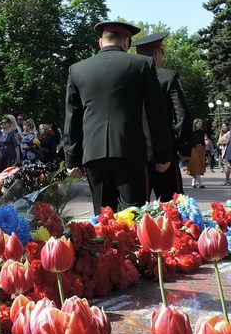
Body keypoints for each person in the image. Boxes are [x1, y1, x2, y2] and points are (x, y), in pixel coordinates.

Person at [64, 21, 171, 215]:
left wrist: (72, 159)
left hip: (93, 153)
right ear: (126, 43)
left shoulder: (77, 69)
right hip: (130, 152)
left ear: (100, 42)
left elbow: (73, 117)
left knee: (103, 218)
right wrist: (162, 154)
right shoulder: (143, 64)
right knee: (132, 216)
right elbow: (156, 113)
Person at [132, 31, 192, 200]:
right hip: (164, 153)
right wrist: (184, 147)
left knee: (134, 209)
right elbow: (182, 113)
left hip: (134, 154)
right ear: (157, 55)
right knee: (172, 206)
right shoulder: (168, 76)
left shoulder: (127, 79)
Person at [187, 119, 207, 188]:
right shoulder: (191, 131)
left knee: (198, 165)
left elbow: (202, 141)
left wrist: (204, 148)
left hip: (200, 148)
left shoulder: (201, 131)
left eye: (201, 124)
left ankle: (193, 183)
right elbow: (189, 141)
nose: (200, 125)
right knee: (196, 165)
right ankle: (200, 184)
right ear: (195, 124)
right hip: (193, 149)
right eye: (199, 124)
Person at [218, 122, 230, 186]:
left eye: (224, 126)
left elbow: (220, 141)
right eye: (222, 126)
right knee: (227, 166)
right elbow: (220, 142)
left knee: (227, 167)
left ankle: (227, 181)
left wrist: (220, 134)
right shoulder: (226, 134)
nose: (222, 128)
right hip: (226, 152)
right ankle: (227, 181)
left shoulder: (229, 133)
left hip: (228, 152)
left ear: (228, 126)